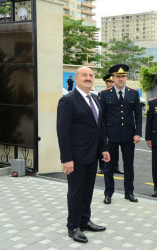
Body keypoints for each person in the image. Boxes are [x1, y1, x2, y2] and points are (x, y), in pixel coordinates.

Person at [57, 66, 110, 243]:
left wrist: (104, 149)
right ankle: (73, 226)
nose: (88, 78)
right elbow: (63, 131)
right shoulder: (68, 100)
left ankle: (85, 221)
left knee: (88, 190)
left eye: (91, 75)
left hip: (92, 155)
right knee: (76, 191)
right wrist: (66, 158)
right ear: (76, 79)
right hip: (76, 157)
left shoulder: (95, 98)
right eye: (84, 75)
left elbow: (99, 126)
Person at [99, 64, 142, 204]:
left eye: (123, 76)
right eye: (118, 76)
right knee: (109, 166)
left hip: (129, 135)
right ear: (113, 78)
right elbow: (101, 117)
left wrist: (137, 133)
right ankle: (108, 193)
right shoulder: (104, 94)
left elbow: (139, 115)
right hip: (110, 136)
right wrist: (103, 135)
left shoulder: (133, 93)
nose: (121, 79)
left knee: (129, 165)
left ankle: (129, 193)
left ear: (126, 77)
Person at [97, 74, 123, 175]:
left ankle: (115, 167)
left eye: (112, 82)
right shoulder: (102, 94)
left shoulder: (117, 94)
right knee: (103, 147)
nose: (111, 84)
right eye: (109, 82)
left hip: (115, 126)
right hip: (106, 125)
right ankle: (102, 167)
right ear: (106, 83)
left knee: (115, 150)